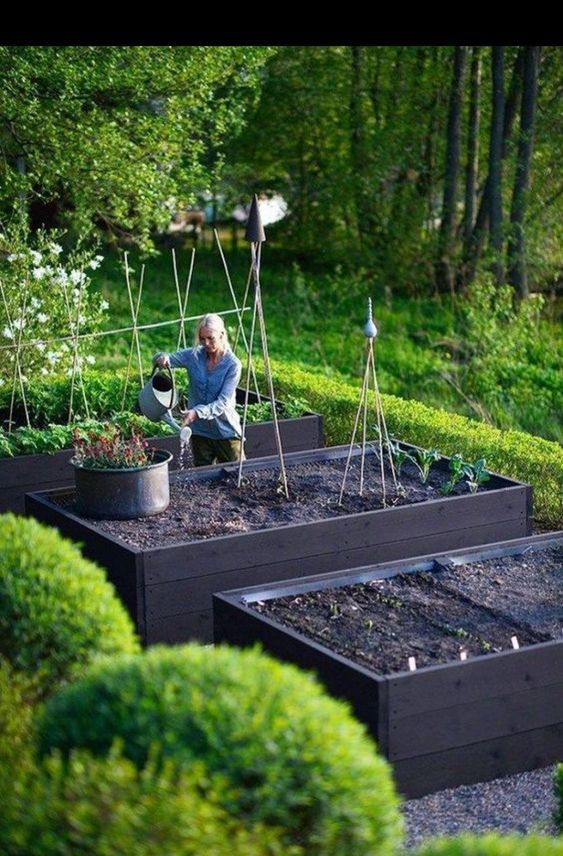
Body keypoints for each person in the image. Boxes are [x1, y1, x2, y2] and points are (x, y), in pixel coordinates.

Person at [153, 313, 244, 467]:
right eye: (202, 339)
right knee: (202, 482)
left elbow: (223, 403)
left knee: (237, 476)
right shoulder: (194, 355)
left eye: (210, 338)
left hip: (225, 431)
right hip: (200, 432)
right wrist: (162, 358)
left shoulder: (233, 365)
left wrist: (197, 413)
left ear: (222, 335)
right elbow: (163, 357)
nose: (206, 343)